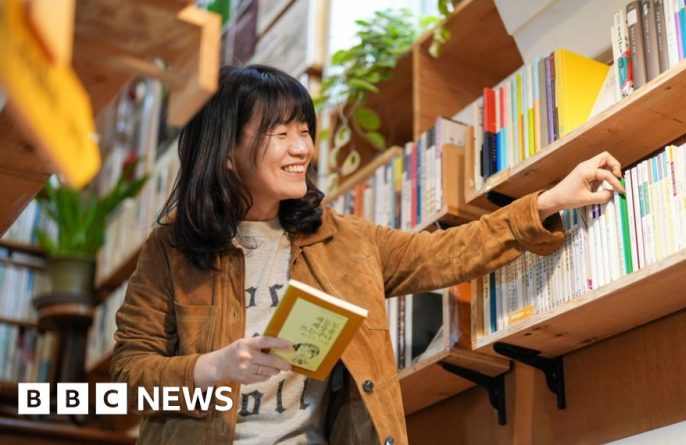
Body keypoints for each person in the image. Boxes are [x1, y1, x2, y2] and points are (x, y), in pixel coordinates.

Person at [110, 65, 625, 445]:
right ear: (226, 149)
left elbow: (446, 252)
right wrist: (211, 367)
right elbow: (127, 377)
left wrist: (552, 200)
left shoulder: (345, 241)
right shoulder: (171, 251)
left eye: (305, 131)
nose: (301, 149)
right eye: (280, 133)